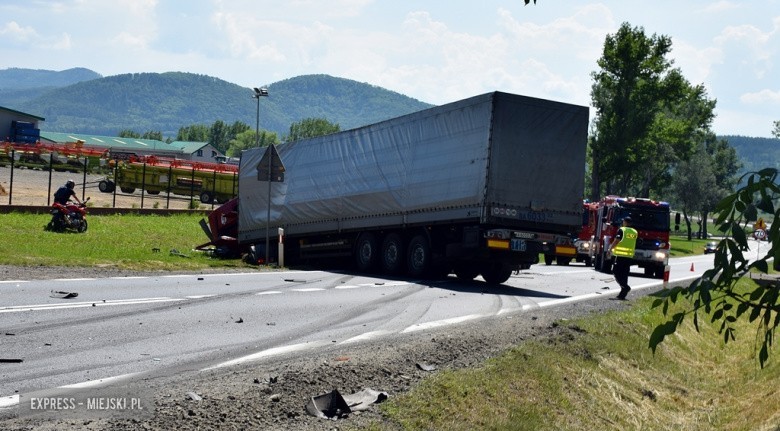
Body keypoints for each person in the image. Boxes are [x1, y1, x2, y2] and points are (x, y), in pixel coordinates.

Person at [609, 216, 637, 300]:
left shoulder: (622, 230)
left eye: (623, 222)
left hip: (620, 255)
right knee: (624, 274)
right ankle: (622, 294)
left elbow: (617, 240)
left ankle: (625, 287)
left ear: (625, 222)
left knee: (616, 272)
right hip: (629, 256)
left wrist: (610, 249)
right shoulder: (635, 232)